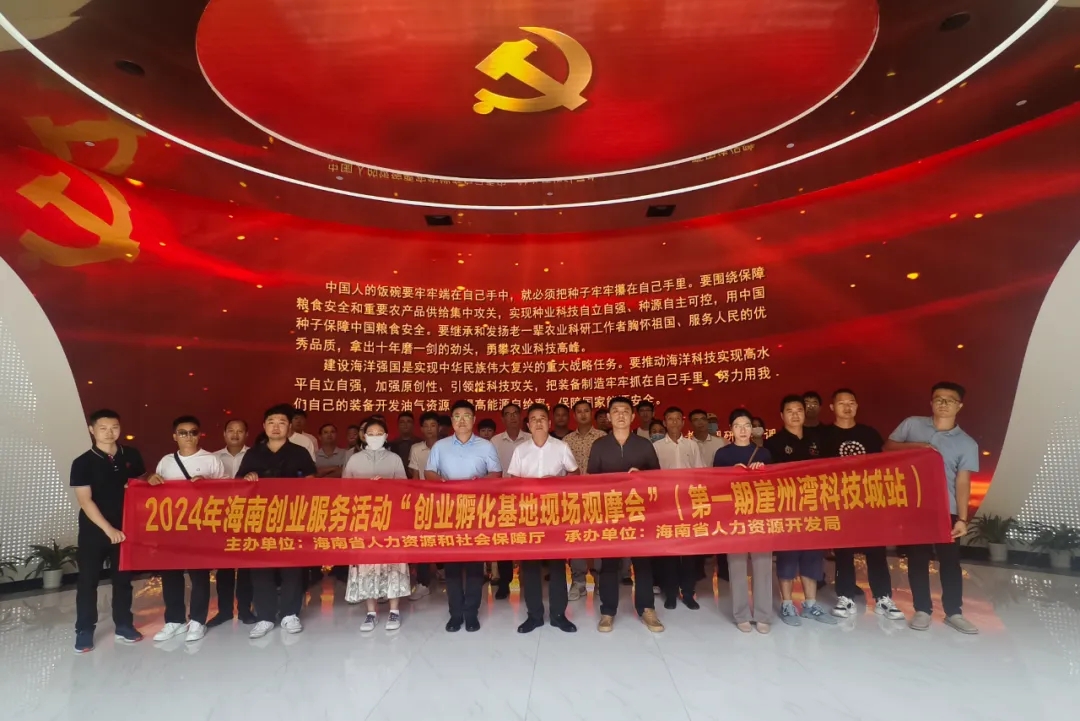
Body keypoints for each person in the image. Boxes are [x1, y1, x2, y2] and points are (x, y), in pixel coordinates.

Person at [885, 381, 979, 634]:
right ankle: (922, 610)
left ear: (959, 406)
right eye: (938, 398)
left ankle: (954, 612)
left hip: (947, 509)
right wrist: (918, 447)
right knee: (917, 559)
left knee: (950, 562)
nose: (943, 403)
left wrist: (962, 518)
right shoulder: (912, 425)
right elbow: (888, 448)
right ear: (931, 402)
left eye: (950, 400)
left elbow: (963, 482)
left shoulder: (967, 443)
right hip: (915, 506)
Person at [821, 389, 904, 622]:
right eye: (842, 403)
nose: (847, 407)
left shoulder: (869, 434)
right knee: (844, 551)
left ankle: (883, 597)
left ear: (857, 406)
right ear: (832, 407)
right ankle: (845, 596)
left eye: (851, 403)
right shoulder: (824, 436)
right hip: (840, 503)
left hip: (869, 502)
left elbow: (884, 464)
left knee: (876, 550)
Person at [238, 404, 317, 639]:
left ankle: (290, 614)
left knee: (292, 566)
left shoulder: (299, 452)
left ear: (289, 427)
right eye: (271, 422)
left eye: (282, 422)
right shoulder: (253, 454)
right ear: (264, 426)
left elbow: (312, 481)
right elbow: (238, 484)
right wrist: (247, 478)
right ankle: (264, 616)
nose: (276, 427)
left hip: (292, 518)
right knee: (261, 568)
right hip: (260, 519)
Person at [72, 409, 148, 653]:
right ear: (92, 430)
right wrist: (108, 529)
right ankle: (84, 629)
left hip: (126, 528)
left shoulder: (131, 455)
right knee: (88, 581)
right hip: (95, 530)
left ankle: (124, 624)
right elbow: (85, 500)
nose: (109, 432)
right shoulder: (82, 462)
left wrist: (140, 485)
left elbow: (140, 484)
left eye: (114, 427)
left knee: (123, 580)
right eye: (103, 428)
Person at [147, 415, 227, 643]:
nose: (188, 437)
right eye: (183, 433)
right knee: (170, 574)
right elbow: (156, 492)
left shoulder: (211, 460)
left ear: (199, 435)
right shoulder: (166, 461)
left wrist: (208, 484)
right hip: (171, 526)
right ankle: (174, 620)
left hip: (200, 527)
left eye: (193, 432)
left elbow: (226, 491)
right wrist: (151, 480)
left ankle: (198, 620)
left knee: (199, 575)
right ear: (175, 436)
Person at [588, 396, 663, 633]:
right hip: (609, 514)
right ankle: (608, 611)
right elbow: (591, 482)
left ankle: (647, 608)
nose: (620, 415)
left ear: (632, 416)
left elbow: (658, 479)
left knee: (643, 563)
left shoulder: (644, 445)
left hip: (639, 513)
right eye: (616, 411)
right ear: (608, 417)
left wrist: (641, 476)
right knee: (609, 564)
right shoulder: (599, 446)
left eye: (625, 411)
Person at [425, 400, 501, 632]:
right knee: (452, 566)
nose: (461, 420)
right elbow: (429, 472)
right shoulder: (440, 446)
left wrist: (479, 484)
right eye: (457, 416)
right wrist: (442, 482)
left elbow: (496, 473)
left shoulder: (486, 446)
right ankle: (455, 614)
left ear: (473, 419)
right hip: (449, 512)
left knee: (475, 565)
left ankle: (471, 613)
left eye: (466, 415)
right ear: (451, 420)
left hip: (477, 512)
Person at [507, 404, 579, 633]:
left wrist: (556, 482)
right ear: (528, 425)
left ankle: (559, 615)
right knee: (530, 567)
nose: (538, 422)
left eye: (542, 419)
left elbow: (575, 474)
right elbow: (512, 481)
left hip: (554, 515)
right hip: (528, 516)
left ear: (549, 423)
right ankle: (534, 615)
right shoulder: (520, 451)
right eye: (534, 419)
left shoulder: (561, 447)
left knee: (557, 565)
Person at [764, 395, 834, 626]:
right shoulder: (773, 443)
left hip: (814, 507)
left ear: (805, 413)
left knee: (812, 556)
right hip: (787, 509)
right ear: (781, 415)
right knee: (788, 556)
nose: (795, 415)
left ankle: (810, 604)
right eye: (789, 411)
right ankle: (787, 604)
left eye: (799, 410)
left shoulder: (818, 440)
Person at [342, 418, 410, 631]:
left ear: (386, 436)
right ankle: (371, 612)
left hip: (390, 520)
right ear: (364, 436)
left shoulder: (394, 459)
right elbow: (344, 491)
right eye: (370, 433)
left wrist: (387, 486)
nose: (374, 437)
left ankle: (394, 610)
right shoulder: (354, 460)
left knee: (393, 564)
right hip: (363, 521)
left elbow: (405, 489)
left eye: (379, 433)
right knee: (366, 565)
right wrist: (364, 488)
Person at [713, 409, 774, 633]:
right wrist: (731, 473)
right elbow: (715, 486)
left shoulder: (764, 453)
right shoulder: (722, 454)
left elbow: (774, 485)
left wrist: (762, 471)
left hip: (760, 515)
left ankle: (763, 615)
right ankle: (741, 614)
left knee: (763, 566)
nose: (742, 430)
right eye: (738, 425)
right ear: (730, 429)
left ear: (753, 429)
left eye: (747, 425)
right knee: (737, 567)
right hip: (734, 517)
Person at [652, 406, 704, 610]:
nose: (674, 422)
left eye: (677, 419)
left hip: (688, 504)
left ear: (683, 423)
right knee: (669, 552)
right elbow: (651, 476)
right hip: (665, 506)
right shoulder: (656, 447)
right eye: (670, 419)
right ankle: (670, 593)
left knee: (689, 552)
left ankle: (688, 593)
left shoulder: (692, 445)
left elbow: (700, 474)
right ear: (664, 423)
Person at [210, 419, 255, 627]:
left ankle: (245, 609)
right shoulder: (213, 458)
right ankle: (224, 611)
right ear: (224, 434)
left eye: (240, 431)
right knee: (224, 568)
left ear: (247, 434)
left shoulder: (255, 455)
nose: (235, 434)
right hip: (222, 516)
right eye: (231, 431)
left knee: (246, 567)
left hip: (249, 515)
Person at [564, 399, 607, 600]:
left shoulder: (603, 438)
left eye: (586, 411)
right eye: (579, 411)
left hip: (598, 497)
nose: (582, 414)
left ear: (591, 413)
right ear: (574, 415)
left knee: (599, 538)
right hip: (574, 498)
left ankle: (599, 581)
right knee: (576, 539)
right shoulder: (566, 441)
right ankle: (578, 581)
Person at [491, 403, 528, 599]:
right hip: (502, 498)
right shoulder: (494, 442)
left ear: (521, 416)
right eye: (508, 414)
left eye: (515, 414)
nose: (512, 417)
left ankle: (527, 580)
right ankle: (504, 582)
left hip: (527, 498)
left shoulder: (530, 439)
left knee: (528, 539)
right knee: (503, 541)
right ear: (502, 419)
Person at [407, 411, 441, 599]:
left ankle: (444, 570)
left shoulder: (447, 446)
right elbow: (414, 476)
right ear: (421, 429)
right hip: (423, 501)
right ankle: (423, 582)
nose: (429, 429)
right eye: (426, 426)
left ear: (439, 428)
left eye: (433, 425)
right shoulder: (416, 449)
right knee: (422, 541)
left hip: (445, 500)